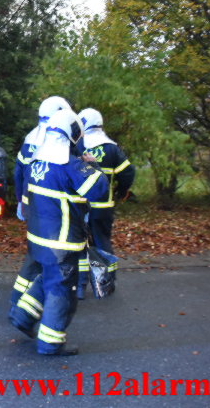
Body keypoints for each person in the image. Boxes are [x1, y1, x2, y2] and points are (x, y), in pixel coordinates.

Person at [8, 109, 109, 356]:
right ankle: (51, 343)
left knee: (47, 277)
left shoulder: (36, 162)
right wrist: (92, 165)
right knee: (62, 289)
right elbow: (99, 191)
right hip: (63, 242)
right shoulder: (71, 166)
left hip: (38, 240)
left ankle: (22, 315)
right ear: (72, 134)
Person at [10, 96, 71, 318]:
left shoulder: (31, 138)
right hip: (55, 210)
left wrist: (20, 200)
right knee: (55, 257)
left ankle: (18, 302)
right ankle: (45, 303)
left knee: (34, 253)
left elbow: (18, 172)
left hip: (31, 204)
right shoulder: (59, 140)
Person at [75, 108, 136, 299]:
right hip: (103, 208)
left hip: (80, 206)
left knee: (78, 245)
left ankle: (80, 285)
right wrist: (120, 190)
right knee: (102, 243)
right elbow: (128, 172)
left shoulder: (78, 145)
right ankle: (106, 282)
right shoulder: (111, 148)